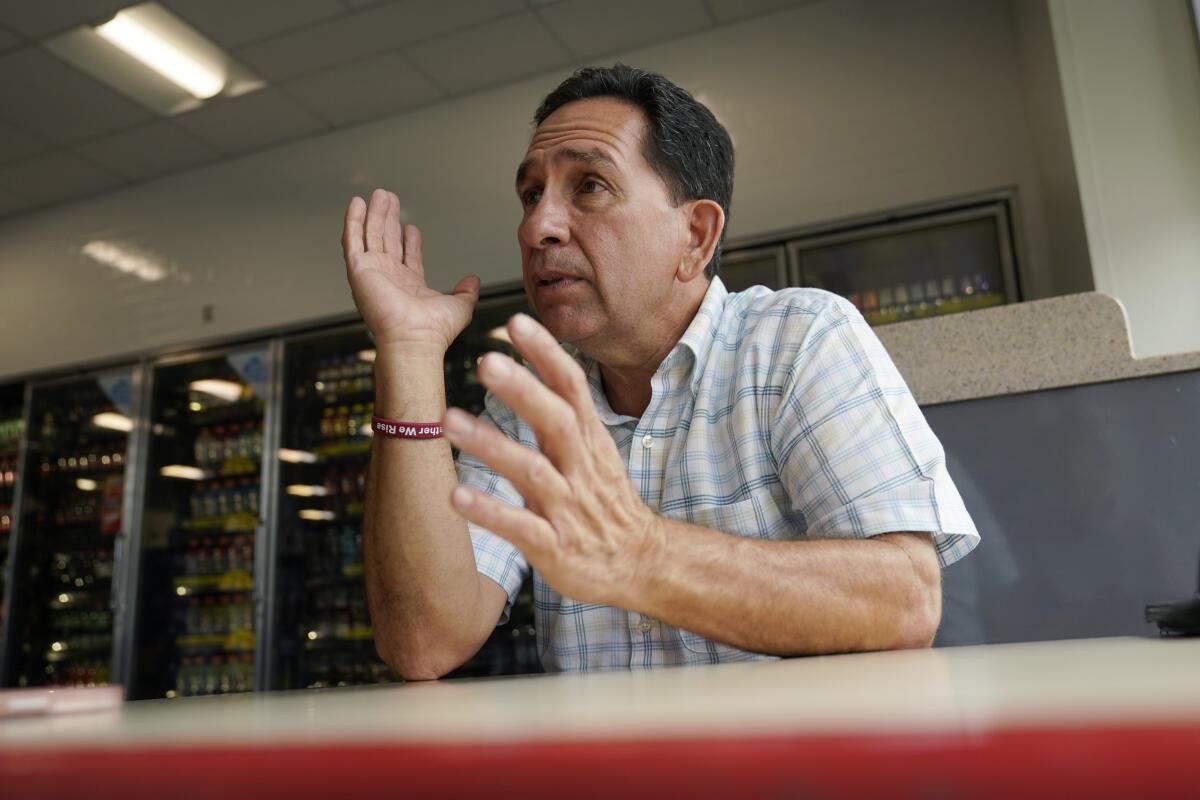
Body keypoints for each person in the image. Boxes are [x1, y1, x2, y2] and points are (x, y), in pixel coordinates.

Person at [340, 64, 980, 678]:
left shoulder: (796, 340)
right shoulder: (529, 400)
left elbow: (904, 600)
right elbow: (425, 641)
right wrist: (410, 352)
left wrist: (645, 555)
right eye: (531, 194)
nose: (538, 226)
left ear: (696, 236)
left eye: (589, 185)